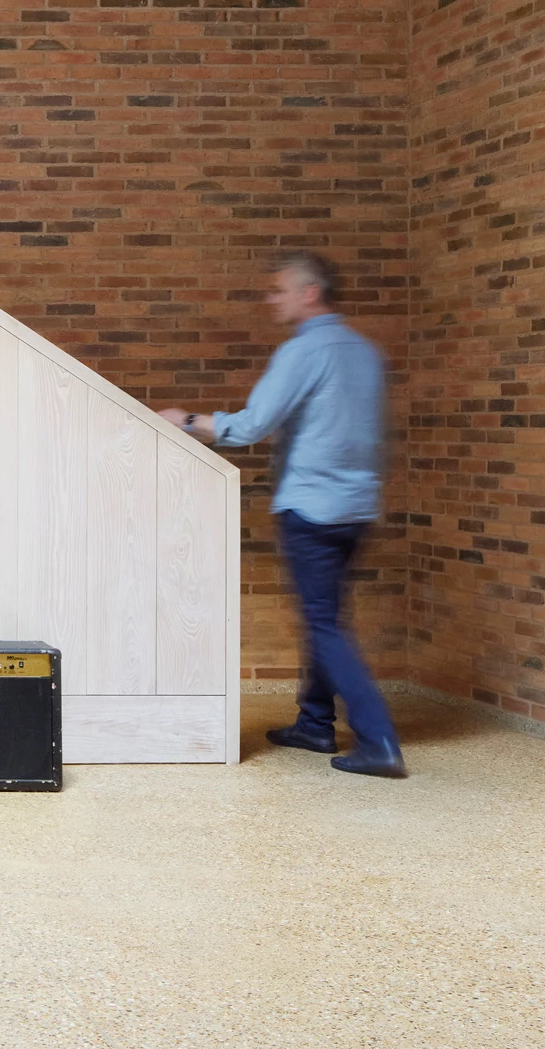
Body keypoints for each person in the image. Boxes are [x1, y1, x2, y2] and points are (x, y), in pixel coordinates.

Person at [160, 252, 406, 779]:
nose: (272, 299)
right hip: (357, 507)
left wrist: (184, 419)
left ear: (309, 293)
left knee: (324, 623)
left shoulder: (303, 351)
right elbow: (379, 435)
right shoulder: (367, 353)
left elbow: (251, 426)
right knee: (327, 616)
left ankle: (379, 740)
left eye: (279, 290)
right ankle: (315, 723)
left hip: (312, 508)